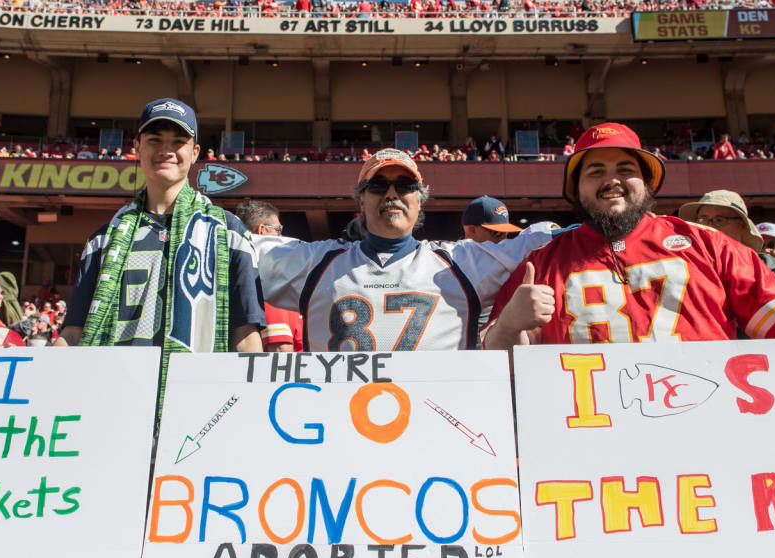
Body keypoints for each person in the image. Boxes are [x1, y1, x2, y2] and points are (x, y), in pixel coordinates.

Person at [481, 121, 775, 380]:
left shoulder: (708, 244)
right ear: (577, 189)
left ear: (648, 184)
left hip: (709, 435)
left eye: (626, 170)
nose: (612, 180)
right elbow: (499, 368)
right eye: (596, 172)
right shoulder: (541, 265)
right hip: (591, 451)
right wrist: (507, 326)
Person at [60, 98, 264, 406]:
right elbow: (74, 332)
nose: (166, 150)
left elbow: (245, 333)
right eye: (154, 140)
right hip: (110, 402)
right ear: (138, 148)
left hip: (197, 406)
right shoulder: (103, 240)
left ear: (195, 152)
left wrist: (253, 405)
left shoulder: (229, 233)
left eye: (178, 142)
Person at [253, 148, 554, 351]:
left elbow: (550, 240)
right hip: (339, 428)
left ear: (420, 200)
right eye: (378, 185)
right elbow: (233, 247)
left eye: (405, 185)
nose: (392, 193)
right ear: (361, 200)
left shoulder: (463, 261)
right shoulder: (315, 262)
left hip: (437, 431)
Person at [675, 190, 775, 320]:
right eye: (703, 219)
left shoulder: (766, 268)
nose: (709, 227)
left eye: (719, 220)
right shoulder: (685, 269)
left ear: (742, 225)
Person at [235, 199, 304, 352]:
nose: (281, 235)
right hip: (294, 375)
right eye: (278, 229)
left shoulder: (243, 281)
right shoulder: (270, 286)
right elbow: (280, 350)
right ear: (262, 230)